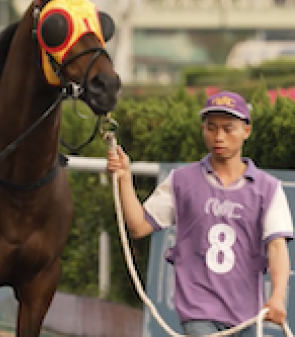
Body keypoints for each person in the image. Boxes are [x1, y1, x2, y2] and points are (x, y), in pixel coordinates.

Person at [107, 91, 293, 336]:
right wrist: (124, 179)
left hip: (247, 314)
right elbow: (139, 226)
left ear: (246, 131)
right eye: (211, 128)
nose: (219, 137)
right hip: (197, 311)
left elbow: (277, 247)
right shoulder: (181, 181)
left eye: (228, 129)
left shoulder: (268, 188)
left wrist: (278, 297)